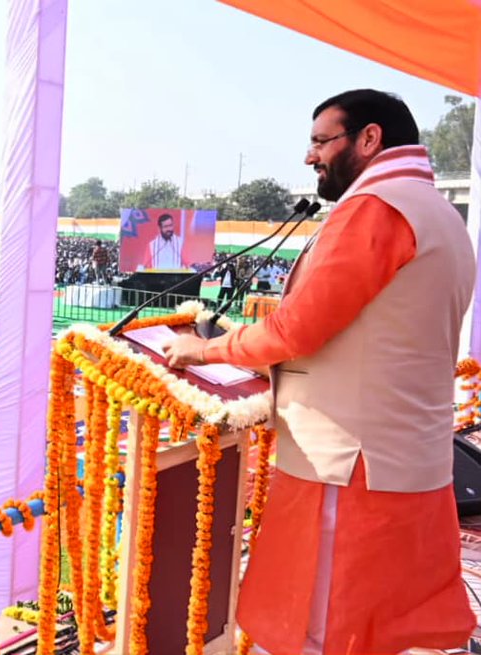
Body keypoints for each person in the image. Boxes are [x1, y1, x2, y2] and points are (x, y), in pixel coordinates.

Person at [164, 89, 475, 655]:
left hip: (349, 465)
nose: (310, 157)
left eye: (319, 141)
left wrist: (201, 351)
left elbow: (294, 331)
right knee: (386, 626)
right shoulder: (442, 214)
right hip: (407, 458)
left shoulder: (377, 208)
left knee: (323, 626)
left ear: (369, 139)